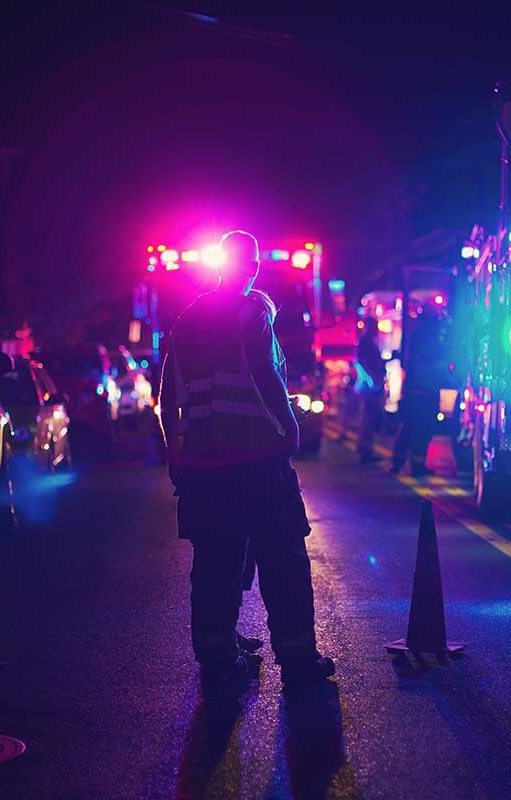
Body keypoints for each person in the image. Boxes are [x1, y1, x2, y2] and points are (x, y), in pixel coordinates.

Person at [158, 230, 335, 688]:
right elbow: (264, 371)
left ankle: (218, 654)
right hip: (256, 459)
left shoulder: (187, 320)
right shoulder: (252, 311)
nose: (253, 270)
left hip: (201, 466)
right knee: (283, 558)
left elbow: (167, 396)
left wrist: (176, 452)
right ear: (249, 266)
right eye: (251, 263)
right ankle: (297, 659)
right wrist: (291, 424)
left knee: (216, 560)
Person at [391, 311, 443, 476]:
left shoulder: (415, 340)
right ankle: (415, 465)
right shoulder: (433, 343)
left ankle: (400, 462)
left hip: (415, 394)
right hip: (425, 395)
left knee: (409, 429)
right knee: (421, 432)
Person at [354, 326, 387, 463]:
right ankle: (365, 451)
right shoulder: (366, 343)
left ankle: (366, 449)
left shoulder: (367, 342)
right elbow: (361, 362)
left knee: (369, 419)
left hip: (371, 386)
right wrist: (372, 380)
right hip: (370, 388)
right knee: (368, 419)